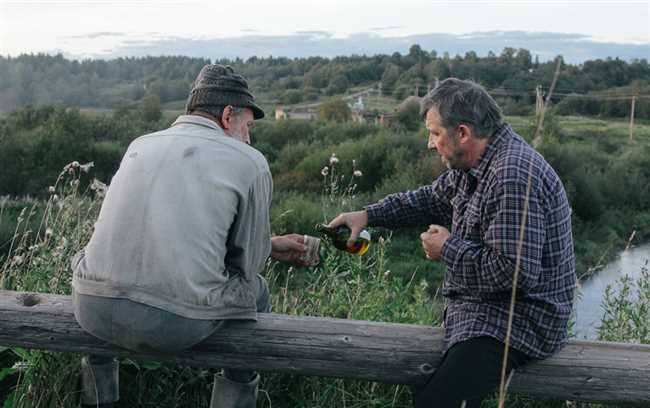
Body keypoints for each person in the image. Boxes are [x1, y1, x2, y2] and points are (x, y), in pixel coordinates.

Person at [71, 64, 311, 408]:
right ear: (229, 115)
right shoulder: (250, 161)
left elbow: (155, 231)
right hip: (171, 325)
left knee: (89, 263)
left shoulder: (140, 145)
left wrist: (270, 246)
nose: (248, 136)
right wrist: (264, 250)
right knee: (255, 289)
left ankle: (99, 400)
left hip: (91, 309)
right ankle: (235, 395)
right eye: (248, 126)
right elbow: (247, 264)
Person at [328, 78, 576, 408]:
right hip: (484, 311)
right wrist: (368, 215)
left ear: (462, 132)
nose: (430, 144)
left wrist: (447, 248)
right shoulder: (473, 163)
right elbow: (429, 199)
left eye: (434, 133)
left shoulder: (512, 174)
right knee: (430, 386)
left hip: (519, 323)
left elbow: (515, 272)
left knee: (435, 401)